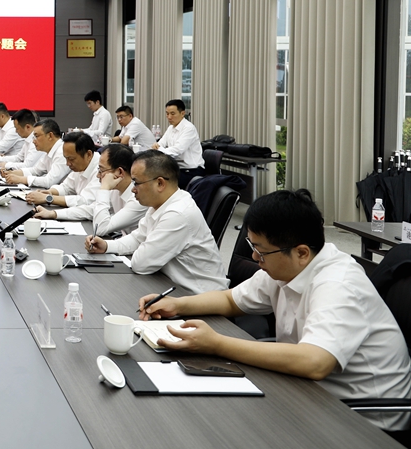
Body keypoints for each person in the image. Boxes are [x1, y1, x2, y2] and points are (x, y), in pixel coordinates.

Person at [137, 189, 411, 431]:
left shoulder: (338, 284)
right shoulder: (286, 268)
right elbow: (232, 300)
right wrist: (178, 304)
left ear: (301, 252)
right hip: (309, 392)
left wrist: (217, 344)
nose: (254, 257)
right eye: (252, 246)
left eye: (261, 251)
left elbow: (314, 362)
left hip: (364, 418)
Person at [86, 150, 227, 294]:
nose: (133, 189)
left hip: (200, 296)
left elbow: (141, 264)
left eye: (136, 183)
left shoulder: (177, 214)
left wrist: (141, 247)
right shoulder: (161, 203)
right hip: (171, 285)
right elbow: (137, 238)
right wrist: (107, 246)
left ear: (160, 183)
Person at [34, 143, 145, 233]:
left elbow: (101, 228)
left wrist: (104, 189)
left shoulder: (138, 199)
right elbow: (90, 210)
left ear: (120, 172)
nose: (98, 175)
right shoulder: (116, 189)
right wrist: (53, 214)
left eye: (101, 170)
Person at [25, 131, 100, 212]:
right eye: (66, 158)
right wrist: (49, 192)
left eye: (71, 159)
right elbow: (66, 187)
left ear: (88, 154)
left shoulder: (101, 169)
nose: (67, 163)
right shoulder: (81, 165)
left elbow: (85, 201)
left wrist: (48, 198)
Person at [1, 119, 68, 190]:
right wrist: (11, 173)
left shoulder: (62, 152)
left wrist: (20, 179)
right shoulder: (49, 152)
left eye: (36, 136)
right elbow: (35, 171)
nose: (33, 141)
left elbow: (49, 181)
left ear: (50, 136)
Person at [152, 99, 204, 188]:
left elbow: (177, 150)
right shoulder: (171, 128)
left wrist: (158, 149)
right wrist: (156, 147)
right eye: (167, 113)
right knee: (151, 176)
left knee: (160, 183)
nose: (169, 117)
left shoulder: (189, 128)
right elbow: (160, 144)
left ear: (182, 113)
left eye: (172, 114)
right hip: (177, 168)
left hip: (191, 171)